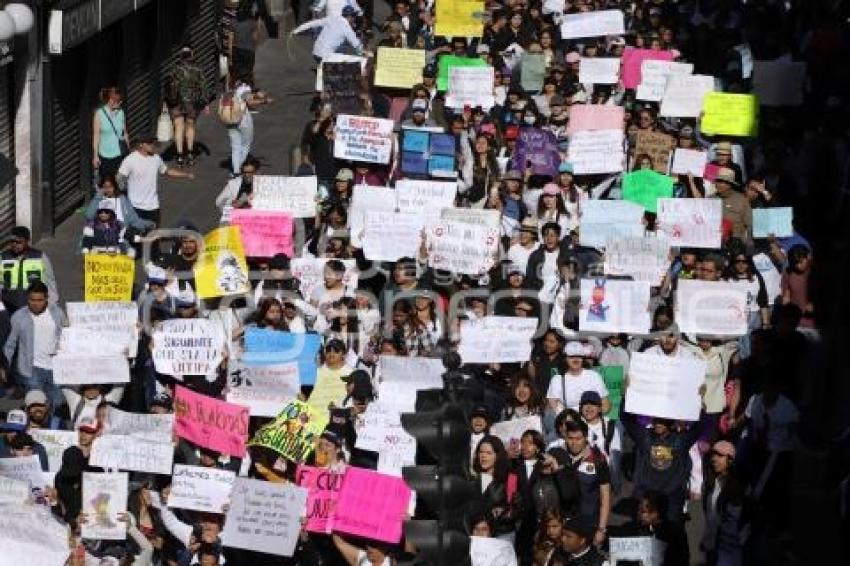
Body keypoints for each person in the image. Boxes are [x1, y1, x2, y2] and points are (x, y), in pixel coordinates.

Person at [3, 282, 65, 413]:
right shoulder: (19, 316)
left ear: (46, 298)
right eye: (32, 300)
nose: (35, 304)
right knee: (36, 406)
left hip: (56, 368)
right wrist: (3, 366)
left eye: (39, 300)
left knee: (58, 404)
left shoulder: (57, 313)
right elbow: (10, 345)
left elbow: (66, 337)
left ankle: (55, 431)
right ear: (27, 299)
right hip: (31, 370)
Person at [117, 134, 195, 228]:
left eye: (153, 143)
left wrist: (186, 175)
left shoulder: (156, 158)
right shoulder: (130, 159)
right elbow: (119, 176)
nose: (152, 145)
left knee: (154, 236)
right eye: (149, 143)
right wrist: (123, 192)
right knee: (137, 236)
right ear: (141, 144)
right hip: (135, 206)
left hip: (153, 206)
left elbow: (167, 170)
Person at [164, 45, 212, 167]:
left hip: (176, 104)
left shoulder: (174, 70)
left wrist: (165, 103)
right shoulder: (197, 71)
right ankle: (190, 153)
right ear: (191, 55)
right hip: (192, 103)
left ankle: (179, 155)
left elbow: (167, 88)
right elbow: (204, 88)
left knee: (178, 127)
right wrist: (206, 103)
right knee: (190, 126)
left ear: (180, 56)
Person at [0, 226, 59, 312]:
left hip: (33, 306)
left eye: (19, 242)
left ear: (27, 241)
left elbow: (50, 282)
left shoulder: (40, 257)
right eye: (12, 241)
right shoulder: (3, 257)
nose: (15, 244)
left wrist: (53, 305)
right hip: (8, 306)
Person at [292, 6, 368, 62]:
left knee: (339, 46)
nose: (354, 19)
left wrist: (297, 30)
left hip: (316, 52)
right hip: (325, 57)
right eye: (354, 16)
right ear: (350, 17)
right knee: (359, 60)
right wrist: (368, 54)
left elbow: (313, 23)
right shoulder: (347, 28)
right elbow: (358, 48)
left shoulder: (332, 18)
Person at [91, 86, 130, 180]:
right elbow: (96, 136)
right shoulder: (99, 114)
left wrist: (128, 151)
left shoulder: (121, 112)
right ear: (111, 100)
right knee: (106, 183)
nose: (121, 103)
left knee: (120, 183)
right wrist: (95, 156)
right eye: (119, 101)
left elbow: (125, 133)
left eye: (121, 101)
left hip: (119, 154)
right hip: (104, 155)